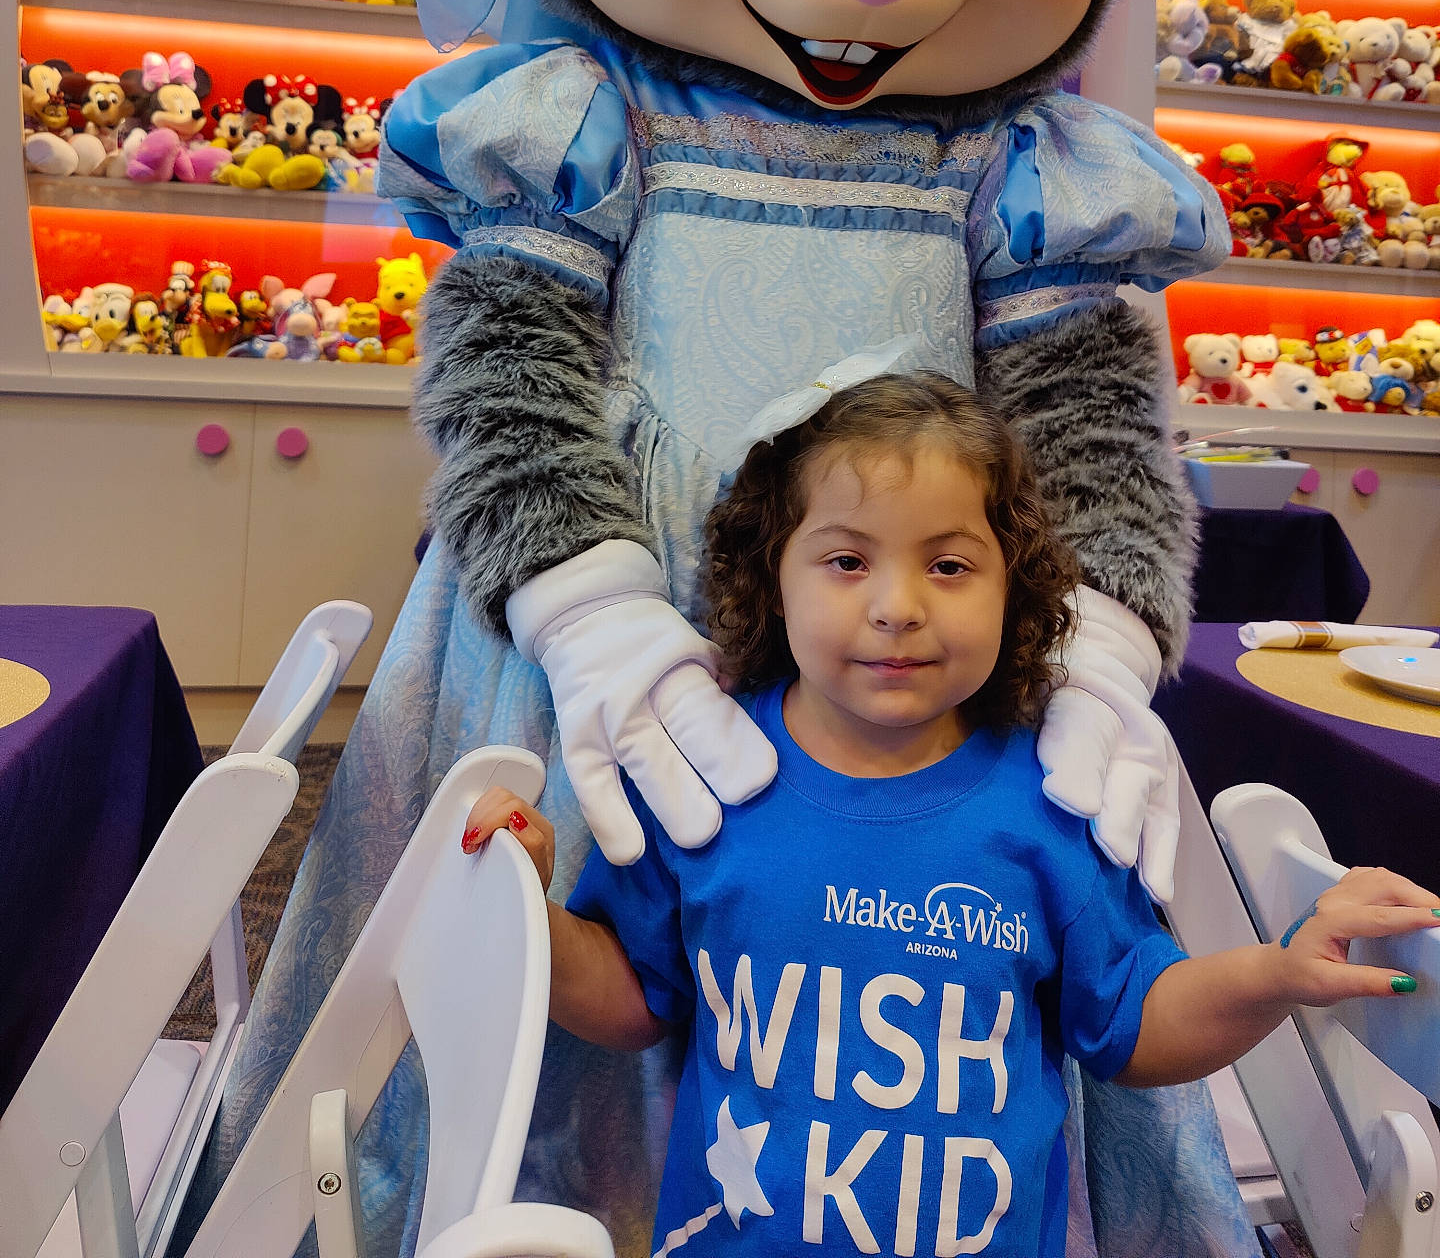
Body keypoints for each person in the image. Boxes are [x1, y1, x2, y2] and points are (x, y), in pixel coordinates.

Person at [463, 371, 1438, 1257]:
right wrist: (520, 908)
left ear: (1016, 587)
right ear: (772, 573)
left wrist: (1276, 971)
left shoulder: (1055, 799)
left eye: (949, 565)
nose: (897, 606)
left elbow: (1133, 1024)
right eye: (847, 561)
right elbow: (635, 999)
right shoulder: (701, 774)